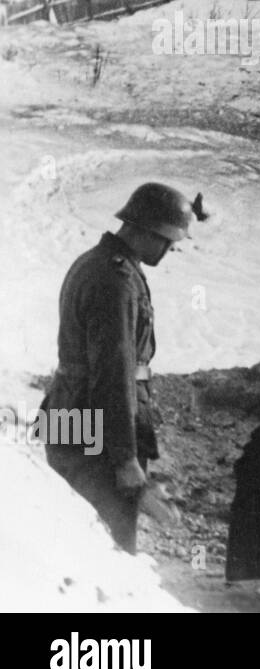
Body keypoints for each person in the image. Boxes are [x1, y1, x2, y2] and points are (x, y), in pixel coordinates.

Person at [45, 182, 196, 554]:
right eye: (167, 239)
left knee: (71, 533)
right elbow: (114, 374)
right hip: (93, 431)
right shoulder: (116, 281)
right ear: (145, 229)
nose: (171, 247)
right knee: (106, 544)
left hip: (69, 417)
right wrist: (125, 458)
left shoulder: (95, 262)